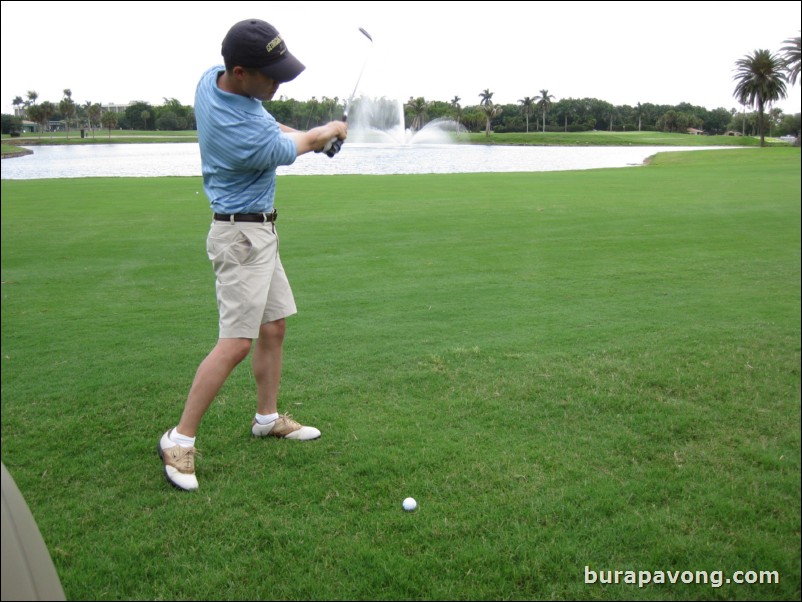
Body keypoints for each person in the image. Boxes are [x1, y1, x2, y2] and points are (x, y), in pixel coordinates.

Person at [158, 18, 348, 491]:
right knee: (236, 343)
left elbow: (277, 127)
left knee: (274, 327)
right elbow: (289, 144)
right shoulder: (238, 134)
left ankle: (266, 419)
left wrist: (318, 134)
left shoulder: (212, 81)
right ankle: (178, 439)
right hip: (240, 240)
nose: (279, 83)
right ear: (241, 72)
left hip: (260, 233)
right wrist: (322, 134)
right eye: (272, 75)